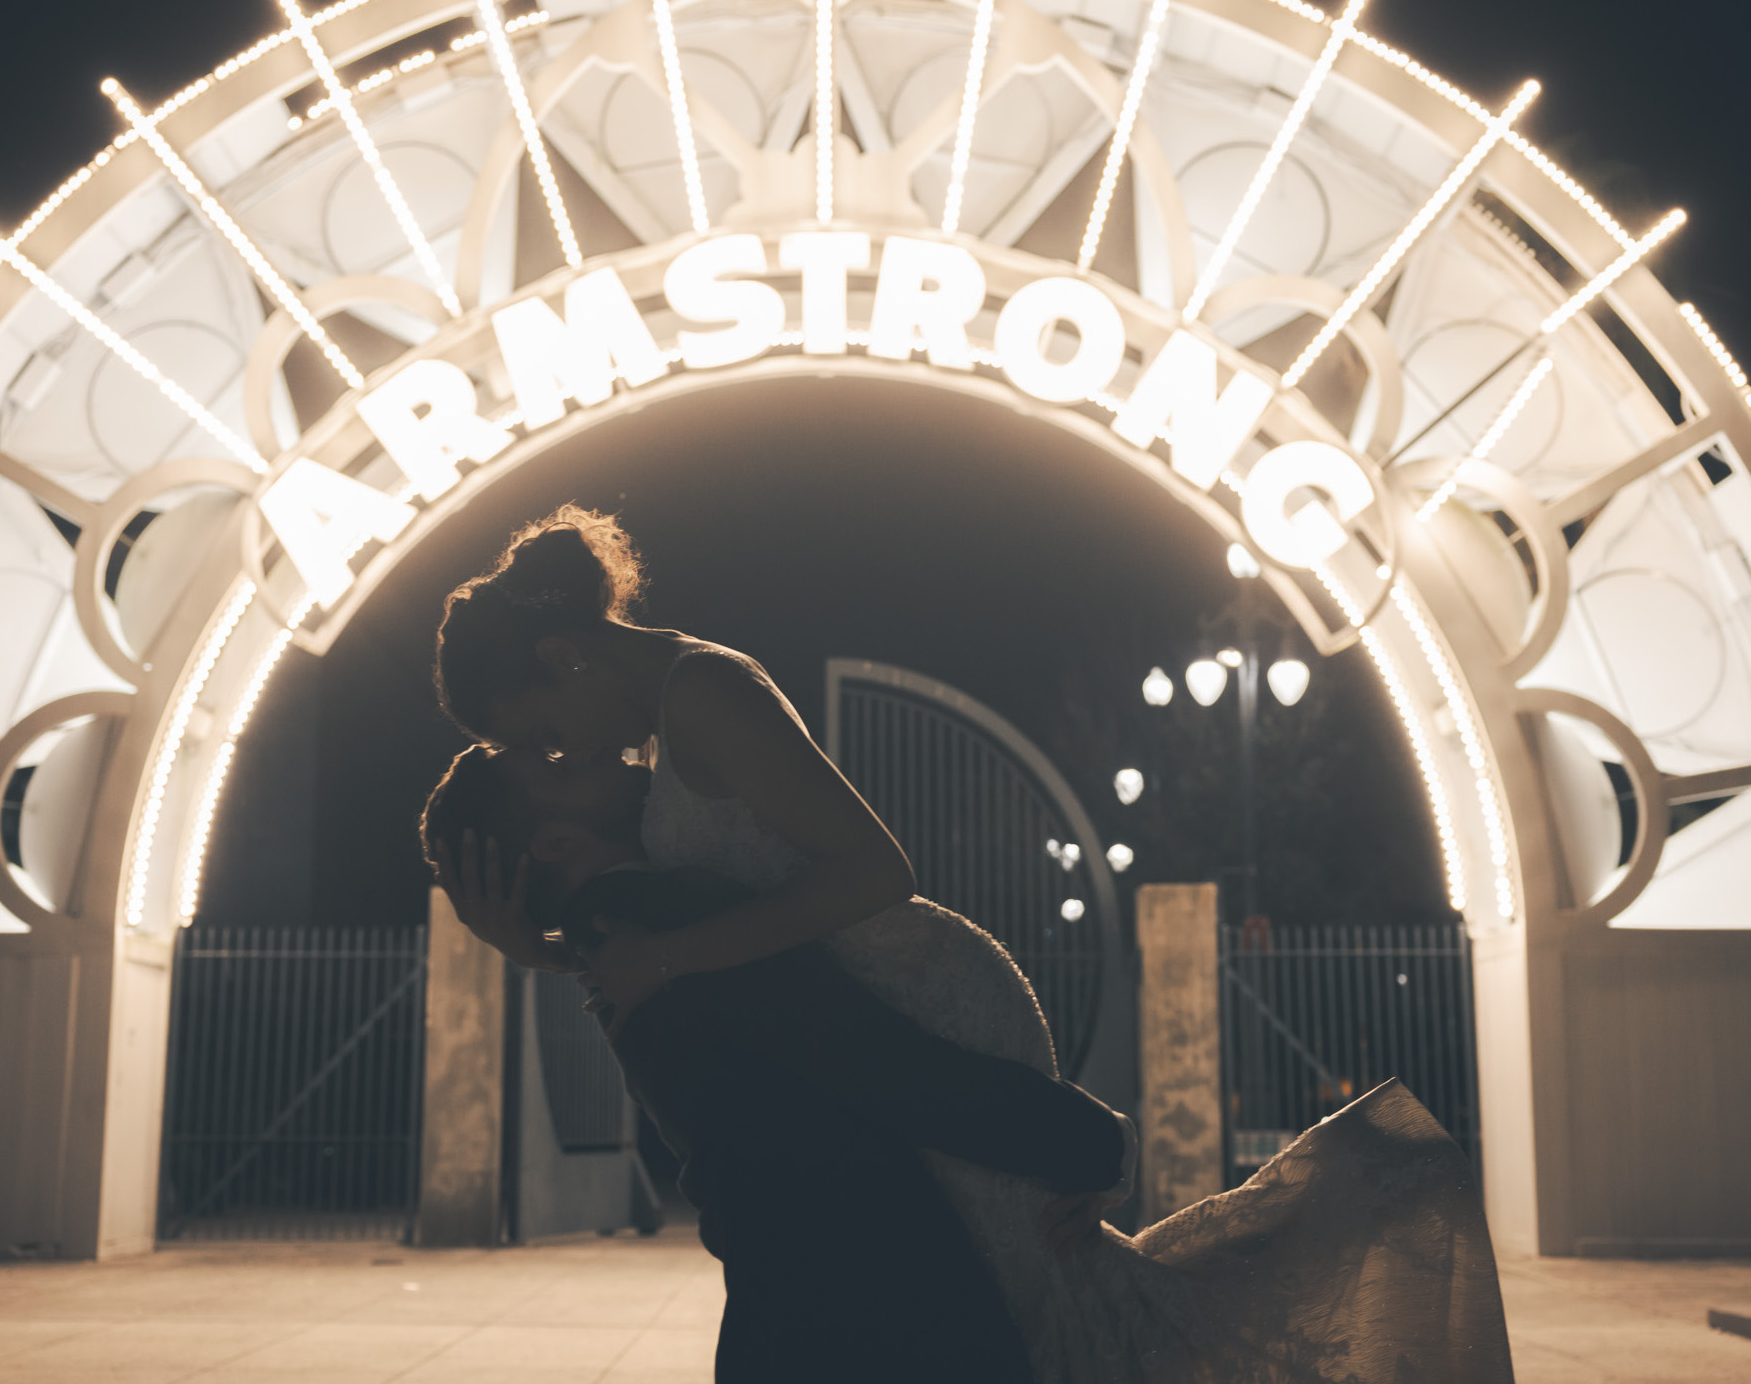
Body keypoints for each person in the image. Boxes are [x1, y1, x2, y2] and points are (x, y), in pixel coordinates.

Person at [434, 506, 1516, 1383]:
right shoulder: (667, 737)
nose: (561, 754)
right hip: (844, 1007)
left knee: (1026, 1286)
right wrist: (541, 941)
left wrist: (650, 954)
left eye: (537, 737)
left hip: (907, 988)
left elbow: (869, 875)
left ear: (563, 655)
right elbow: (699, 977)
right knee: (1034, 1295)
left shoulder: (704, 692)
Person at [422, 744, 1134, 1382]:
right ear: (556, 839)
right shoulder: (664, 919)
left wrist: (540, 947)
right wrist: (1092, 1143)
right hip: (873, 1312)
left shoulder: (611, 938)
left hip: (800, 1305)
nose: (598, 747)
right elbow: (882, 1065)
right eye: (560, 763)